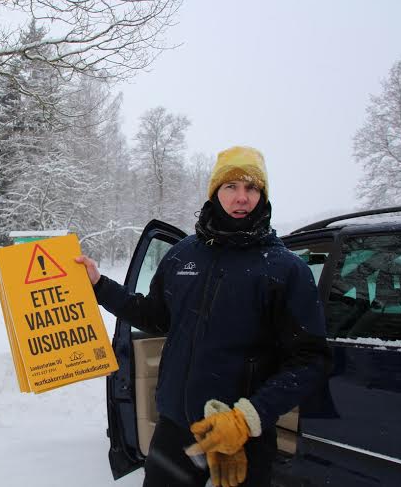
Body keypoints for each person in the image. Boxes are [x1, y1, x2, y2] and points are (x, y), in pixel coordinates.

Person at [76, 146, 331, 487]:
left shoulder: (285, 269)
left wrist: (247, 418)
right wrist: (100, 286)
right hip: (177, 428)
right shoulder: (183, 255)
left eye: (252, 188)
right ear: (215, 192)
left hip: (243, 436)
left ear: (263, 195)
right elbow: (154, 317)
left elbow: (310, 360)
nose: (242, 198)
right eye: (231, 187)